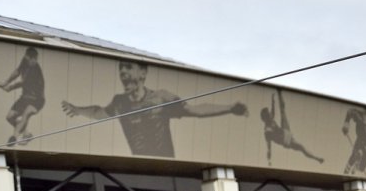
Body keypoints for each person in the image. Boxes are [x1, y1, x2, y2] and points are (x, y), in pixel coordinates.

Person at [62, 60, 248, 158]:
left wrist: (230, 108)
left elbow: (195, 110)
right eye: (121, 69)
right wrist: (78, 109)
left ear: (143, 73)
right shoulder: (119, 102)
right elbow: (99, 112)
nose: (123, 72)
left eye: (128, 67)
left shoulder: (161, 97)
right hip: (138, 165)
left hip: (166, 163)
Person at [0, 46, 45, 146]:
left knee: (26, 113)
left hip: (37, 100)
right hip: (25, 97)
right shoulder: (25, 61)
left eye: (35, 60)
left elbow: (22, 83)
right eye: (31, 60)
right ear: (27, 57)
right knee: (9, 117)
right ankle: (26, 134)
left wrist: (9, 87)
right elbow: (17, 72)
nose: (34, 62)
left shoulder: (35, 70)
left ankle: (14, 137)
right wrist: (6, 82)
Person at [260, 89, 324, 165]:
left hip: (284, 130)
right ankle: (317, 159)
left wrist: (273, 100)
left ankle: (280, 92)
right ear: (266, 118)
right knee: (301, 147)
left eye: (270, 114)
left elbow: (273, 111)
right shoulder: (267, 130)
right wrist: (269, 160)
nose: (271, 115)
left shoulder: (270, 120)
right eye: (269, 114)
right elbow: (269, 147)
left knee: (283, 111)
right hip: (285, 140)